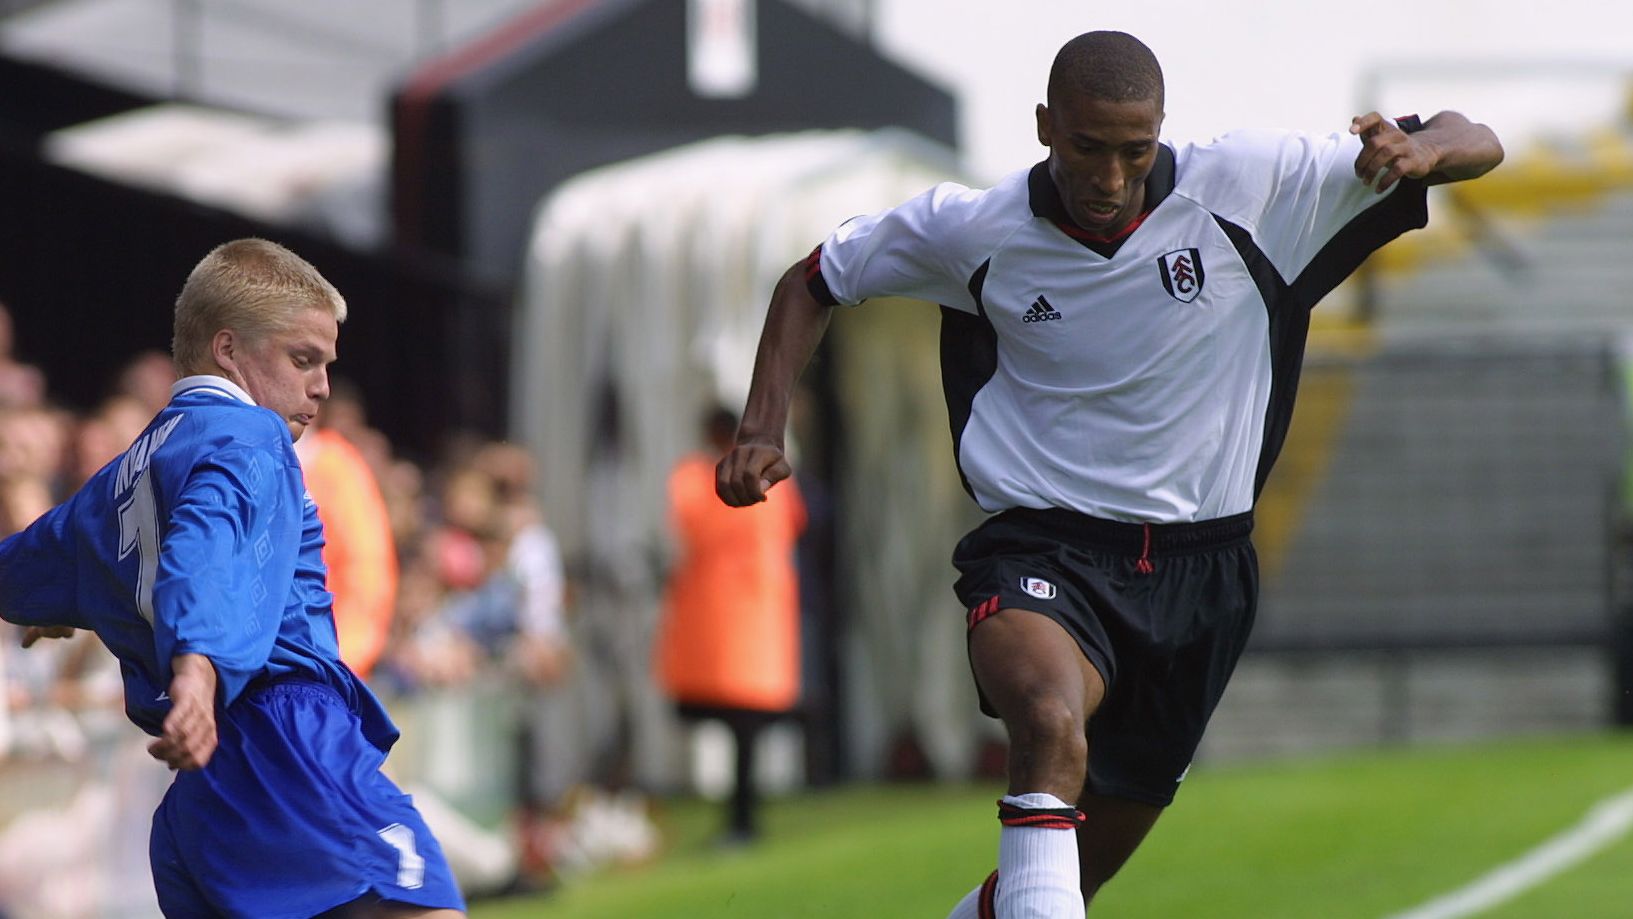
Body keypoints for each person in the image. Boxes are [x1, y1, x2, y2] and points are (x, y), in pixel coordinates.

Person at [716, 30, 1502, 918]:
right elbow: (814, 278)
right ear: (1046, 125)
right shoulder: (973, 229)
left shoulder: (1250, 186)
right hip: (1041, 547)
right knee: (1050, 722)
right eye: (1087, 148)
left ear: (1161, 130)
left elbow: (1473, 134)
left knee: (1060, 881)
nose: (1110, 176)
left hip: (1202, 575)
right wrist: (759, 427)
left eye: (1135, 151)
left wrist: (1423, 150)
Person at [0, 238, 466, 918]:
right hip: (286, 741)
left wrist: (57, 603)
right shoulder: (250, 436)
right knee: (424, 909)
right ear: (228, 350)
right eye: (302, 359)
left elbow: (27, 563)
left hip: (201, 802)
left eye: (326, 364)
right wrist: (199, 665)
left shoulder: (127, 471)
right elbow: (209, 550)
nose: (322, 387)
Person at [660, 405, 805, 844]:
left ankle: (743, 820)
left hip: (733, 617)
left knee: (741, 723)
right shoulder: (769, 480)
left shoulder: (703, 478)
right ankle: (742, 818)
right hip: (750, 616)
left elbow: (688, 523)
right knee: (742, 724)